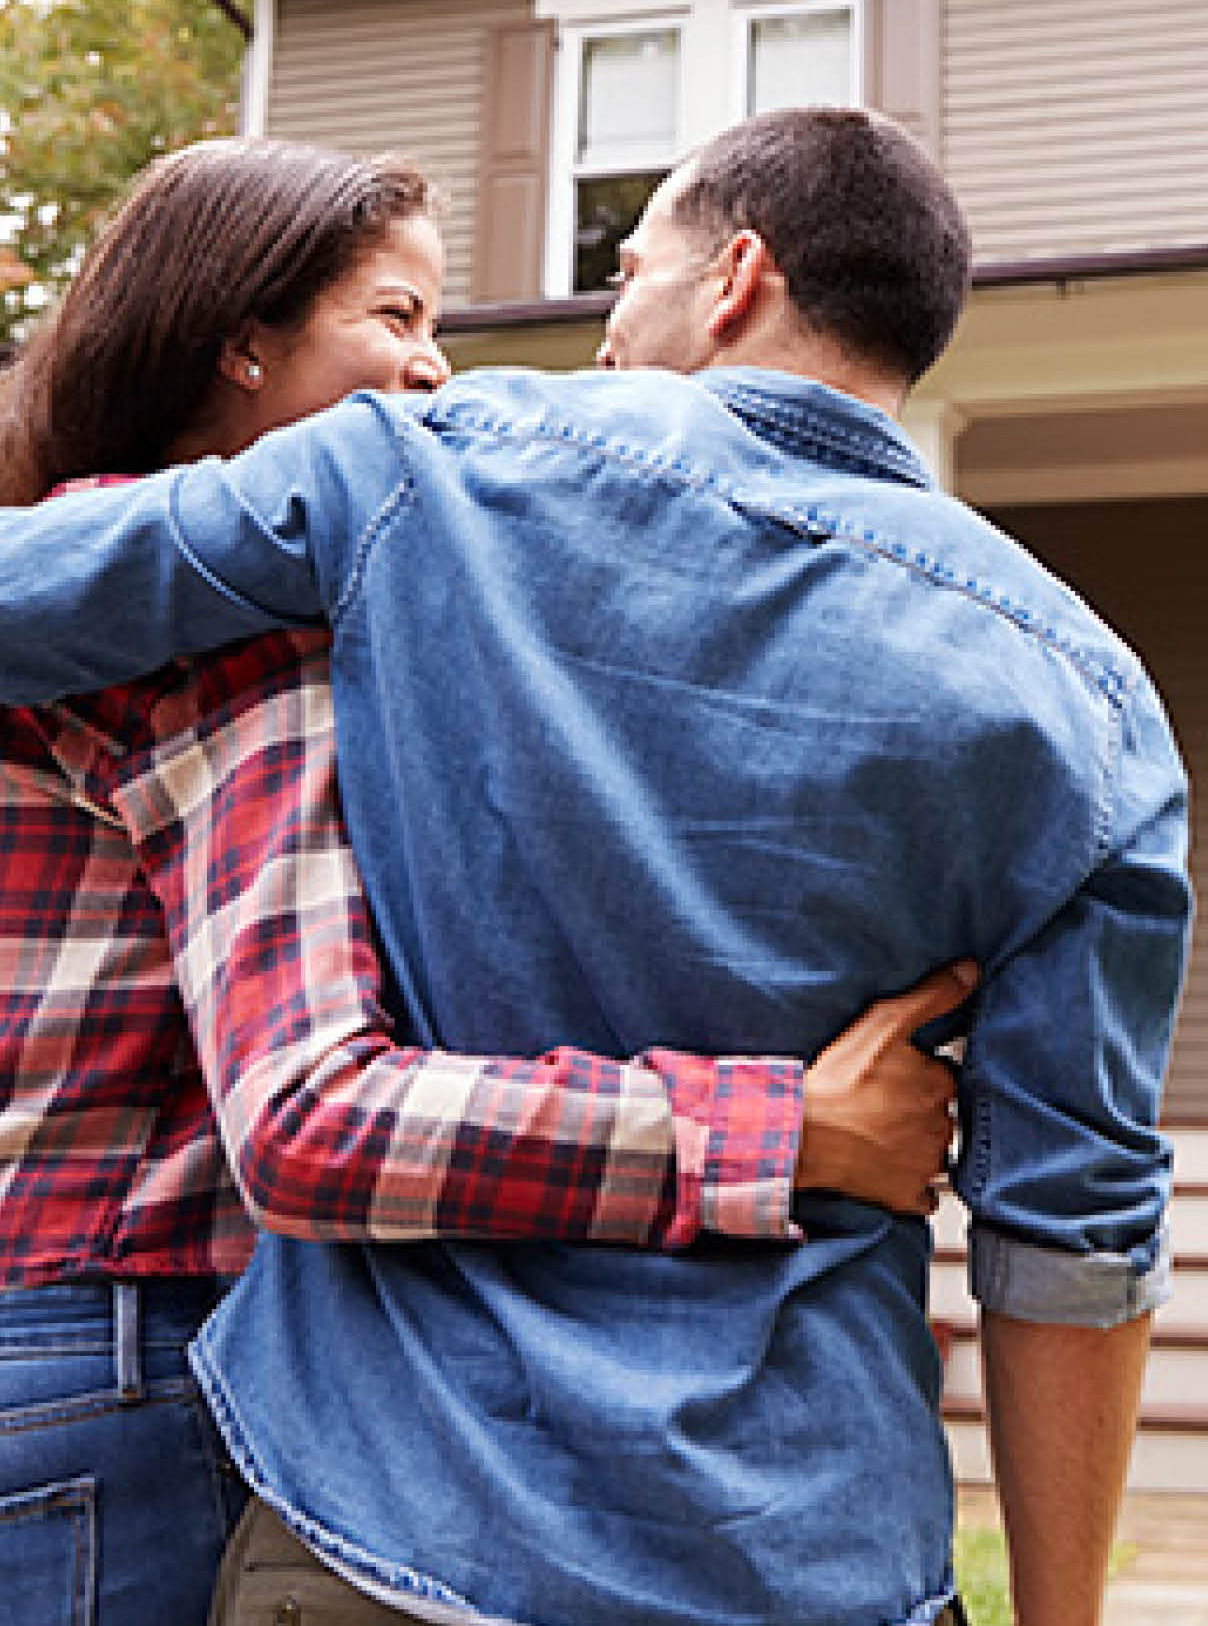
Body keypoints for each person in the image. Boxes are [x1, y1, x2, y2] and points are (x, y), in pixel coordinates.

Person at [0, 109, 1188, 1626]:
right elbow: (1076, 1232)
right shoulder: (1090, 700)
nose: (604, 330)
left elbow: (36, 588)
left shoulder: (428, 473)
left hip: (403, 1517)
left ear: (733, 278)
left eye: (628, 271)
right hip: (807, 1544)